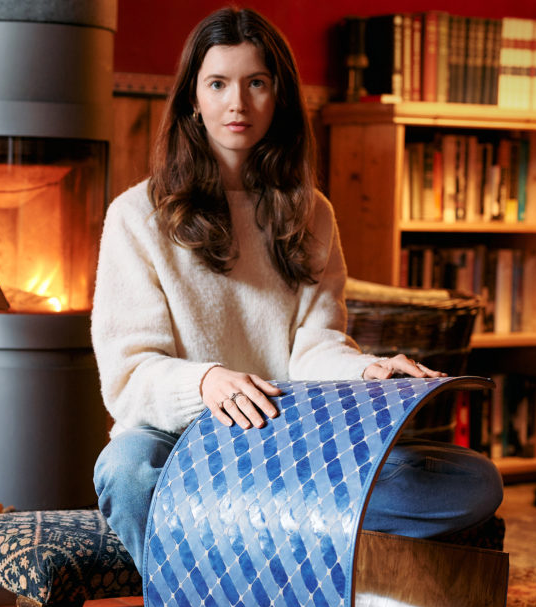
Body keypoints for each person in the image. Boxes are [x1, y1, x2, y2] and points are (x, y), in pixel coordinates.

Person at [91, 7, 502, 570]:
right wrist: (207, 382)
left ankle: (262, 533)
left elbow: (315, 346)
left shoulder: (313, 214)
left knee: (470, 480)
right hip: (179, 443)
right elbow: (129, 377)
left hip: (283, 444)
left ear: (278, 95)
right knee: (127, 472)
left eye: (256, 83)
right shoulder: (136, 216)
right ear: (193, 98)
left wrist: (366, 371)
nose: (237, 104)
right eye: (218, 84)